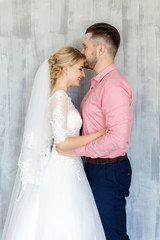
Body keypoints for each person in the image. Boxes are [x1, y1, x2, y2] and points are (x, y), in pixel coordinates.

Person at [1, 46, 107, 240]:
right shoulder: (59, 98)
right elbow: (61, 143)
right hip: (62, 171)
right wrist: (100, 134)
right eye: (79, 68)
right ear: (66, 68)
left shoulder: (61, 97)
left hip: (70, 167)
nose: (82, 74)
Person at [58, 23, 133, 240]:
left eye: (85, 46)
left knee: (111, 236)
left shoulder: (113, 85)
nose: (82, 52)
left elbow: (118, 138)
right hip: (96, 169)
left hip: (108, 171)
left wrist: (77, 150)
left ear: (100, 49)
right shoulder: (99, 83)